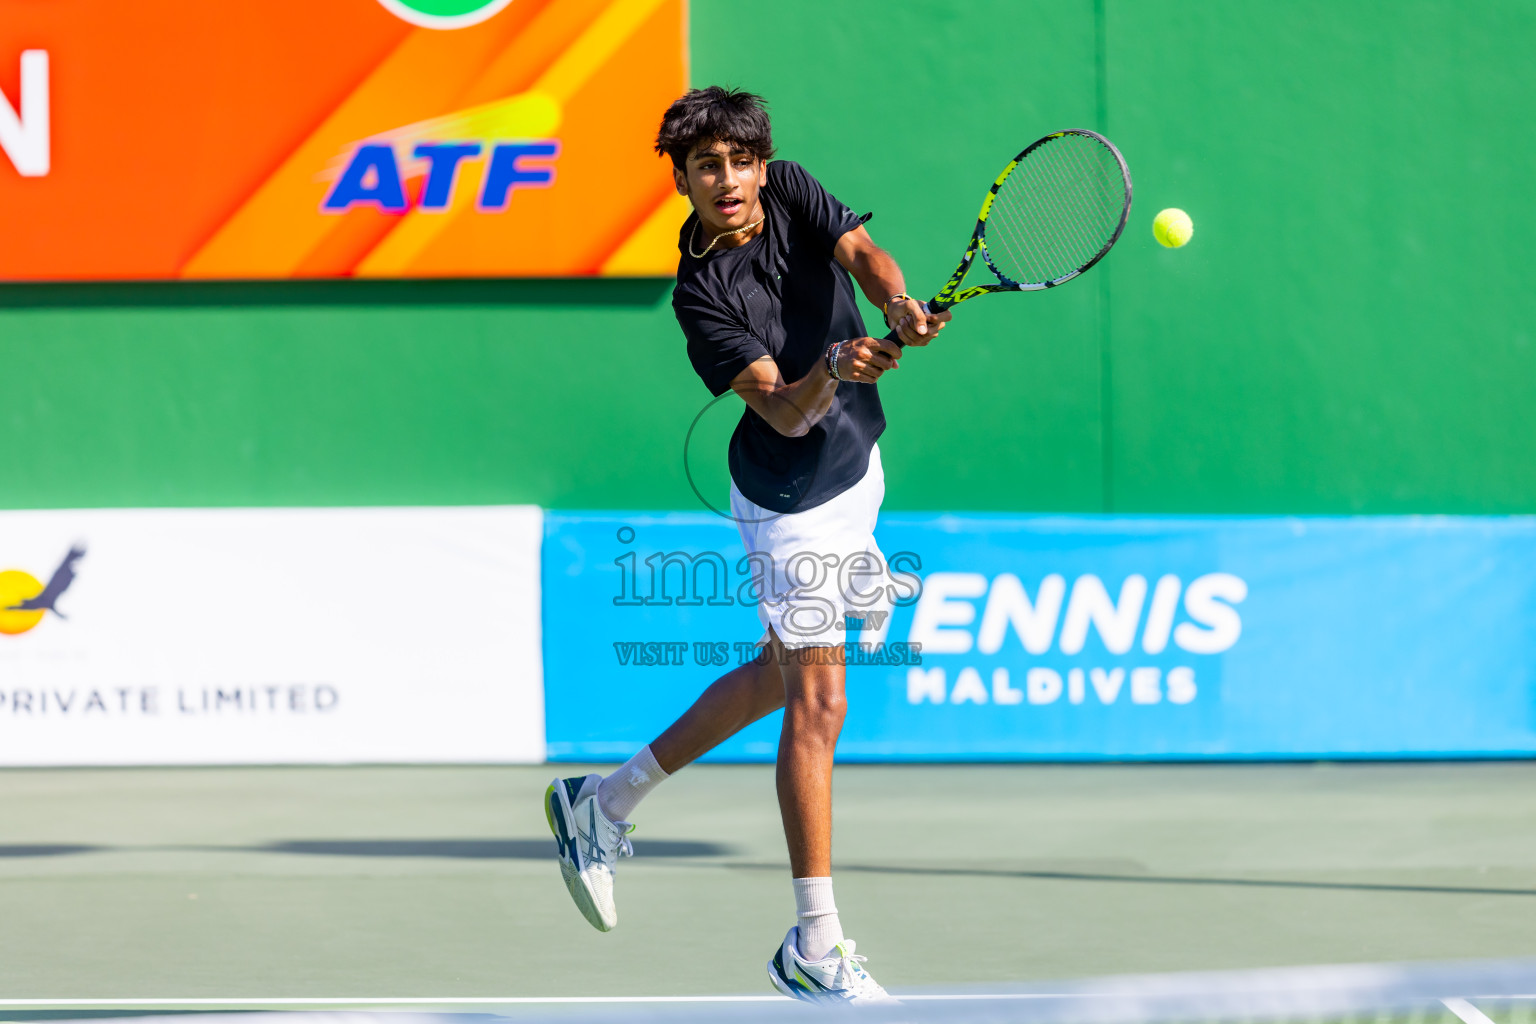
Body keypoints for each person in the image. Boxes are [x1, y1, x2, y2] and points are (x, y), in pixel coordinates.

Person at [545, 86, 949, 1005]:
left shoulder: (793, 191)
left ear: (762, 164)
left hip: (859, 472)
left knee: (779, 676)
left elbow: (864, 253)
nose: (727, 180)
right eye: (705, 167)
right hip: (790, 500)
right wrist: (836, 367)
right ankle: (814, 942)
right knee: (820, 702)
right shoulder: (701, 297)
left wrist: (899, 302)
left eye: (738, 161)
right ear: (682, 180)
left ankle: (602, 804)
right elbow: (783, 407)